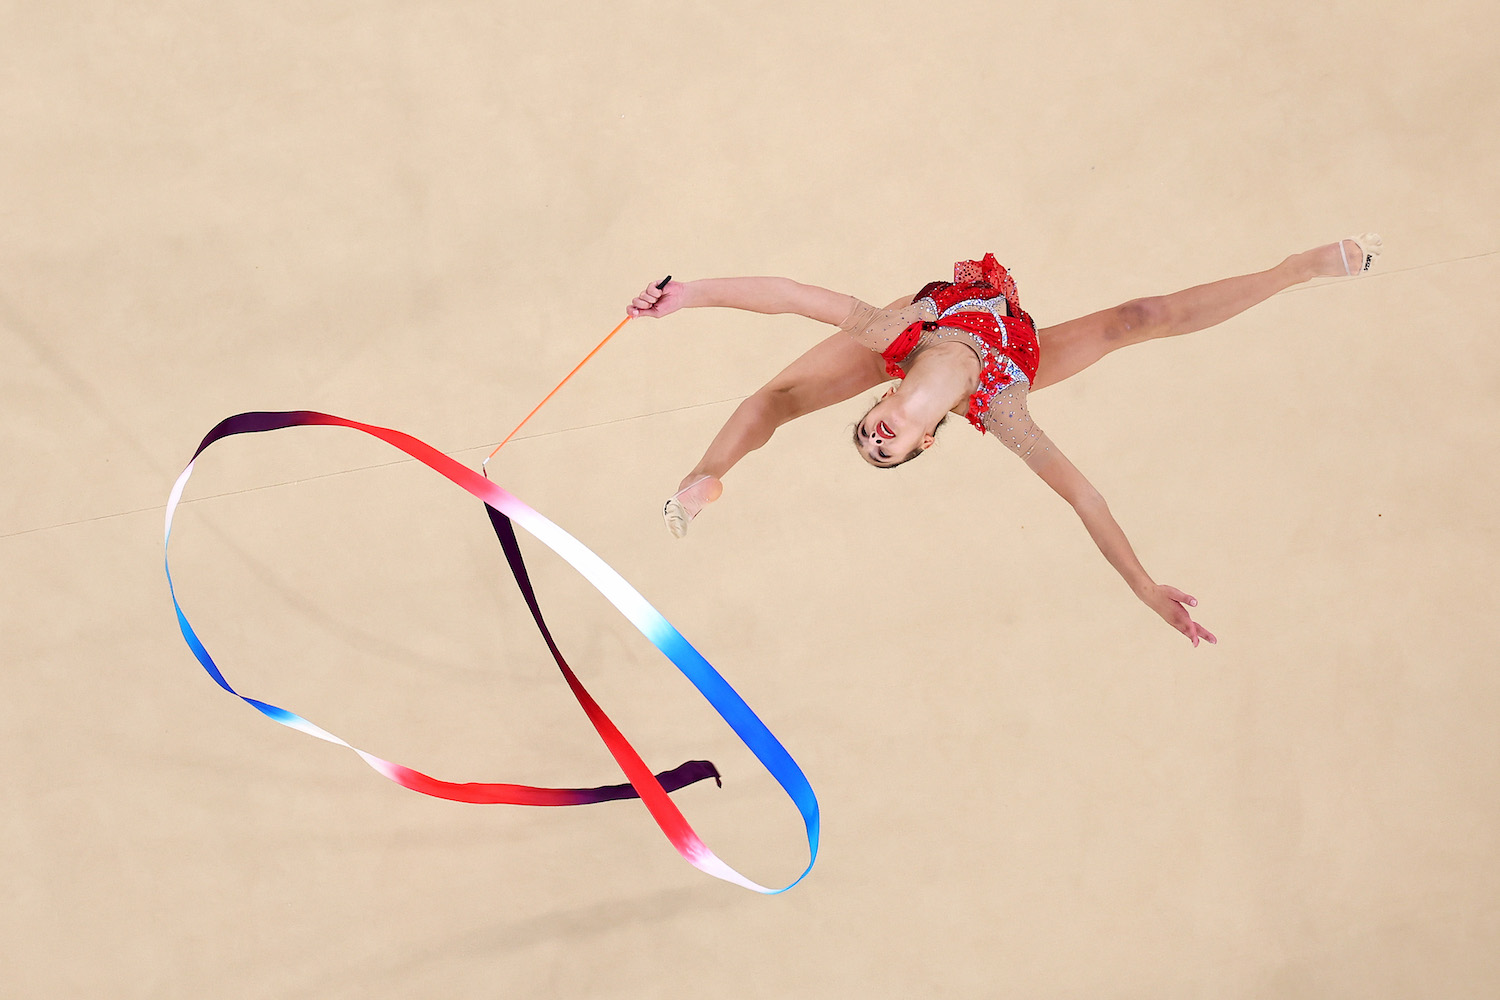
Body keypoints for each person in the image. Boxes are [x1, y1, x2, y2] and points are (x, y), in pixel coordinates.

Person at [625, 235, 1382, 646]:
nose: (878, 439)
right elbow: (1085, 497)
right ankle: (1295, 271)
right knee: (1139, 319)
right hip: (1009, 356)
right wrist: (1145, 588)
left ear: (881, 398)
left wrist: (687, 295)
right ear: (925, 444)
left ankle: (704, 477)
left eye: (866, 435)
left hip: (941, 319)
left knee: (785, 396)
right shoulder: (1005, 413)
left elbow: (791, 297)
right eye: (886, 451)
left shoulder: (893, 333)